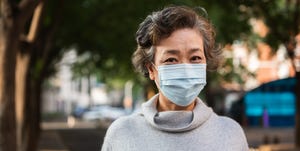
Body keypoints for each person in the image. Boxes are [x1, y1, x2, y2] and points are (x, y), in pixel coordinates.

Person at [101, 5, 249, 151]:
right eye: (171, 59)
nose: (185, 68)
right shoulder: (121, 134)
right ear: (151, 69)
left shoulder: (231, 134)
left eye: (195, 58)